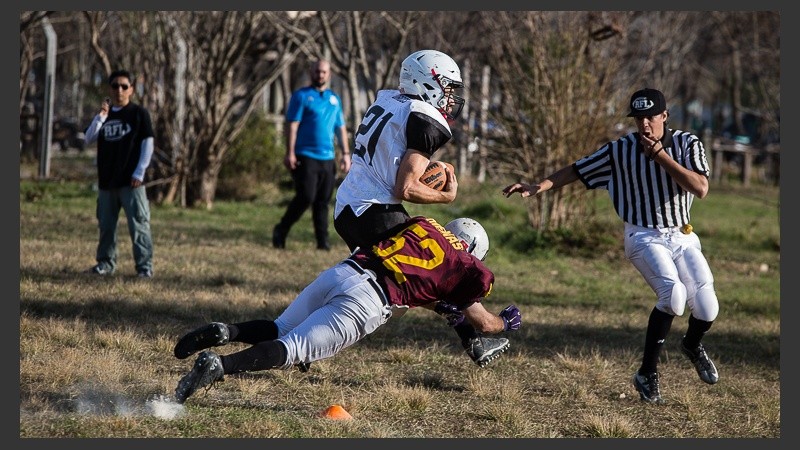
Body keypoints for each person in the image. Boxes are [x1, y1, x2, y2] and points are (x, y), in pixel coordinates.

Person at [502, 88, 720, 404]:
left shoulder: (688, 144)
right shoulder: (620, 150)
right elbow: (577, 169)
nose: (644, 124)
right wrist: (539, 186)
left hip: (682, 234)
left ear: (664, 116)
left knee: (707, 305)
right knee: (673, 296)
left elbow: (700, 188)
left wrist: (660, 155)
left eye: (650, 117)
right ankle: (647, 373)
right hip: (642, 235)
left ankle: (692, 344)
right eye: (638, 118)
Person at [172, 216, 522, 404]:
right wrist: (505, 322)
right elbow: (484, 323)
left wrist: (438, 305)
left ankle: (225, 332)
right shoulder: (467, 266)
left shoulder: (425, 224)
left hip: (344, 271)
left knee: (281, 326)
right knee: (293, 349)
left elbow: (414, 276)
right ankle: (221, 366)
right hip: (369, 300)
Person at [332, 49, 507, 367]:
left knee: (391, 282)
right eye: (449, 87)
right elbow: (406, 188)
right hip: (373, 208)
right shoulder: (425, 118)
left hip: (350, 203)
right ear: (430, 82)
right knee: (444, 270)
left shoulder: (389, 99)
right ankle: (491, 325)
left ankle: (472, 340)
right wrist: (446, 197)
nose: (452, 97)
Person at [272, 59, 351, 251]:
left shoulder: (334, 99)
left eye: (323, 72)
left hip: (328, 157)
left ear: (329, 74)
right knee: (306, 196)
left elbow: (340, 128)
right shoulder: (301, 96)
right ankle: (281, 229)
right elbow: (292, 125)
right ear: (311, 72)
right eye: (317, 71)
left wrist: (346, 154)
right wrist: (290, 152)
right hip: (305, 154)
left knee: (322, 201)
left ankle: (322, 243)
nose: (320, 75)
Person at [83, 70, 155, 278]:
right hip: (107, 181)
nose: (119, 90)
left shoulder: (139, 114)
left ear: (131, 89)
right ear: (109, 89)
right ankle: (105, 263)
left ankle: (144, 267)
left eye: (124, 86)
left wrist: (139, 172)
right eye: (115, 86)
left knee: (139, 225)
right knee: (106, 226)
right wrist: (101, 117)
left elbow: (148, 143)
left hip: (131, 182)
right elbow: (88, 138)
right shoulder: (105, 115)